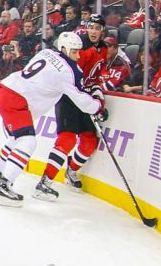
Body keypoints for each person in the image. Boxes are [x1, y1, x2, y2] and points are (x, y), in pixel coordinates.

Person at [0, 32, 106, 206]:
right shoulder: (69, 71)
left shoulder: (46, 52)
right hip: (17, 99)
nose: (78, 55)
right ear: (64, 49)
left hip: (6, 89)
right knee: (28, 143)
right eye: (74, 52)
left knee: (15, 139)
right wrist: (99, 106)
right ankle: (3, 185)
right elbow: (83, 102)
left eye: (79, 51)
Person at [36, 13, 109, 196]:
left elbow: (97, 76)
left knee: (89, 141)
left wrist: (98, 97)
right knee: (67, 138)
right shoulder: (79, 44)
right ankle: (46, 180)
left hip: (84, 97)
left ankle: (71, 169)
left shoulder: (103, 49)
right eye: (90, 27)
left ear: (102, 31)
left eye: (97, 28)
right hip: (68, 96)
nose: (93, 31)